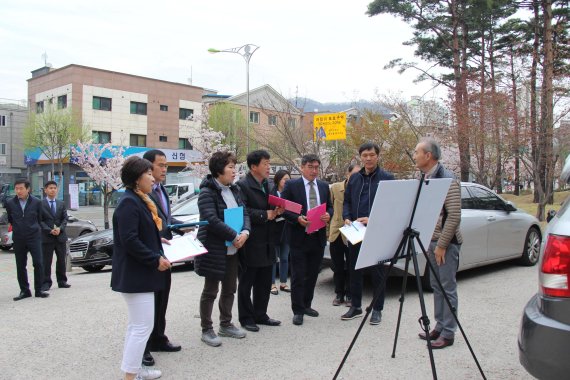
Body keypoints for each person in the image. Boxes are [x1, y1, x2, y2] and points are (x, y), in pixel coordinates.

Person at [111, 156, 171, 380]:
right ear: (137, 179)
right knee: (142, 327)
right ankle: (130, 376)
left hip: (139, 274)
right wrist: (155, 258)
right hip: (136, 275)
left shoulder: (139, 200)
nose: (152, 178)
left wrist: (158, 241)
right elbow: (129, 240)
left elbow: (141, 233)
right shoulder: (129, 202)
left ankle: (133, 370)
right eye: (148, 174)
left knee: (136, 326)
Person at [194, 151, 251, 347]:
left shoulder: (234, 190)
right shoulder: (207, 192)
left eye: (234, 167)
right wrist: (234, 236)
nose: (234, 172)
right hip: (215, 248)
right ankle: (206, 329)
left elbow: (245, 213)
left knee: (230, 289)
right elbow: (211, 220)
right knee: (210, 290)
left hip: (234, 249)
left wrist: (245, 233)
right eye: (230, 167)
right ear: (219, 170)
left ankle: (225, 324)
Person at [413, 137, 463, 349]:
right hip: (430, 241)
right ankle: (439, 326)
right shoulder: (423, 177)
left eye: (417, 152)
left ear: (428, 156)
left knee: (447, 287)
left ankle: (448, 333)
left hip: (446, 244)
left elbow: (453, 216)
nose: (414, 156)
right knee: (435, 286)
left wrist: (442, 245)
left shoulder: (447, 179)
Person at [342, 142, 394, 325]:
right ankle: (355, 306)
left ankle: (377, 309)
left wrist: (373, 219)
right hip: (355, 231)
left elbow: (391, 207)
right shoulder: (354, 178)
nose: (369, 158)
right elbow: (346, 201)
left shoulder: (387, 178)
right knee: (354, 270)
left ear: (377, 156)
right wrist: (346, 217)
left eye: (372, 155)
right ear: (360, 157)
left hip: (376, 231)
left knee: (378, 272)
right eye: (365, 155)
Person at [281, 154, 333, 326]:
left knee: (312, 274)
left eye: (317, 167)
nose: (314, 170)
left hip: (317, 236)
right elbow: (284, 209)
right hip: (298, 237)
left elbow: (330, 208)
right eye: (310, 167)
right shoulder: (292, 185)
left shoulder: (324, 186)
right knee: (298, 275)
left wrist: (328, 215)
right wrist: (297, 219)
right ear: (302, 167)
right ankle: (297, 310)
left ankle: (307, 305)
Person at [141, 150, 182, 367]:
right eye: (161, 165)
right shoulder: (142, 194)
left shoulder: (161, 189)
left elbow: (166, 218)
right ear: (148, 167)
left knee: (163, 297)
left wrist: (185, 227)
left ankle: (159, 337)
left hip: (166, 253)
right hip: (152, 254)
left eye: (166, 165)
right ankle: (144, 346)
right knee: (150, 301)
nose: (164, 169)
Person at [237, 150, 283, 332]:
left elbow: (272, 205)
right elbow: (244, 211)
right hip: (252, 240)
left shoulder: (269, 184)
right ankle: (246, 318)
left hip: (269, 240)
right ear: (254, 166)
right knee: (247, 281)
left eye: (269, 163)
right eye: (265, 163)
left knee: (265, 281)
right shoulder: (242, 185)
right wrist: (266, 215)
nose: (268, 167)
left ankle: (261, 314)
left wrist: (279, 209)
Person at [7, 178, 49, 301]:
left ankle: (39, 289)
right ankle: (24, 290)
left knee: (38, 263)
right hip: (19, 237)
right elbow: (11, 219)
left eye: (21, 188)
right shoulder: (10, 203)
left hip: (34, 237)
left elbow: (40, 218)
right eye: (16, 188)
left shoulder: (37, 202)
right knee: (20, 265)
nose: (18, 191)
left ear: (28, 189)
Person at [328, 164, 360, 306]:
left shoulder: (361, 189)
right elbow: (329, 207)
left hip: (353, 231)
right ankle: (339, 293)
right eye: (353, 174)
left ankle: (350, 295)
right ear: (347, 174)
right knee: (337, 265)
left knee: (352, 266)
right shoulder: (335, 188)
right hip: (336, 231)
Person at [40, 180, 71, 291]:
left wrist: (60, 229)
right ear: (45, 190)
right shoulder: (40, 204)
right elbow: (40, 220)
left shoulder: (61, 203)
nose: (53, 190)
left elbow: (65, 218)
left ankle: (62, 281)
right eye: (50, 188)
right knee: (46, 261)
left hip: (60, 236)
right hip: (47, 237)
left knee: (61, 260)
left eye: (54, 188)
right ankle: (46, 283)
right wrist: (49, 230)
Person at [269, 169, 291, 295]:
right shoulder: (272, 193)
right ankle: (272, 284)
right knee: (273, 258)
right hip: (274, 229)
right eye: (285, 180)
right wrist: (276, 211)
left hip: (286, 229)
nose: (287, 182)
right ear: (278, 180)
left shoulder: (290, 193)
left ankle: (283, 283)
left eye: (288, 180)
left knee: (284, 258)